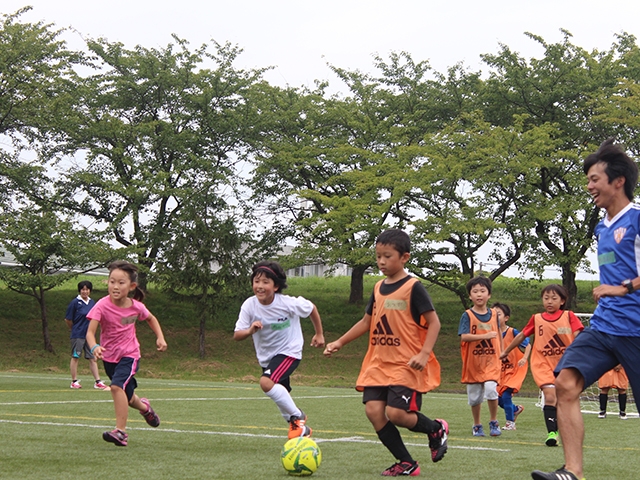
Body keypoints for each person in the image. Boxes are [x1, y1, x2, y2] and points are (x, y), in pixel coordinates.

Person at [531, 137, 640, 480]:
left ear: (617, 181)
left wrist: (623, 288)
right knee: (565, 384)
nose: (589, 186)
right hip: (604, 327)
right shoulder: (600, 227)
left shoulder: (637, 218)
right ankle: (572, 472)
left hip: (637, 330)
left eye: (595, 179)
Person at [324, 229, 448, 477]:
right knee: (373, 411)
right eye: (378, 256)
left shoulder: (414, 287)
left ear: (404, 257)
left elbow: (434, 323)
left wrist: (424, 354)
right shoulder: (379, 288)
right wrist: (340, 342)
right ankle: (406, 462)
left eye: (387, 256)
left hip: (405, 364)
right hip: (378, 363)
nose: (381, 261)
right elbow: (366, 322)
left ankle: (435, 429)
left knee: (397, 414)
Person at [234, 261, 325, 439]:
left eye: (265, 282)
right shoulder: (249, 305)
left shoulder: (288, 303)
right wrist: (250, 330)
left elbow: (311, 308)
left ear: (276, 286)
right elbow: (237, 335)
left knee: (266, 383)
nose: (260, 286)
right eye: (257, 281)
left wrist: (319, 334)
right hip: (267, 357)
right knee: (282, 398)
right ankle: (301, 430)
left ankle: (298, 417)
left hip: (289, 352)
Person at [86, 261, 167, 447]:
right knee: (128, 398)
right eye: (112, 281)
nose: (115, 286)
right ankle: (146, 409)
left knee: (116, 387)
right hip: (109, 357)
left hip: (130, 355)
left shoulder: (136, 307)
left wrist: (160, 338)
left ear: (131, 286)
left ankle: (120, 432)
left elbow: (151, 319)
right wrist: (94, 347)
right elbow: (90, 332)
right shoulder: (101, 305)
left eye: (121, 283)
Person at [501, 285, 583, 447]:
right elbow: (522, 336)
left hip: (565, 364)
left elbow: (578, 334)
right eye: (546, 298)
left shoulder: (569, 316)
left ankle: (563, 429)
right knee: (550, 396)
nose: (549, 301)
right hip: (542, 364)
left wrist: (577, 350)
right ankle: (552, 433)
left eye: (554, 298)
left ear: (562, 301)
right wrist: (506, 351)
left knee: (564, 399)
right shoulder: (537, 318)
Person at [459, 276, 502, 437]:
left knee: (491, 389)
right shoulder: (467, 315)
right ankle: (477, 424)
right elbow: (464, 337)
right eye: (475, 291)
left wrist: (503, 352)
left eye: (482, 291)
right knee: (475, 397)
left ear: (489, 295)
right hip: (474, 362)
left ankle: (493, 421)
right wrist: (484, 336)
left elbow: (498, 336)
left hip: (491, 360)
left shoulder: (494, 315)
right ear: (470, 296)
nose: (479, 294)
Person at [493, 302, 531, 430]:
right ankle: (515, 409)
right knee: (496, 398)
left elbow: (527, 345)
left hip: (515, 369)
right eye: (493, 314)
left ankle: (510, 423)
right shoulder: (492, 334)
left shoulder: (512, 332)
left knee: (506, 395)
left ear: (506, 318)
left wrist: (524, 358)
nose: (495, 317)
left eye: (498, 314)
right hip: (500, 371)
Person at [65, 280, 109, 390]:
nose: (85, 291)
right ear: (80, 291)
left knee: (93, 357)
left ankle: (98, 381)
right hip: (78, 334)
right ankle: (74, 381)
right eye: (83, 289)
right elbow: (68, 319)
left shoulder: (92, 302)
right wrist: (74, 329)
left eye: (87, 289)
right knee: (76, 356)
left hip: (89, 335)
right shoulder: (75, 303)